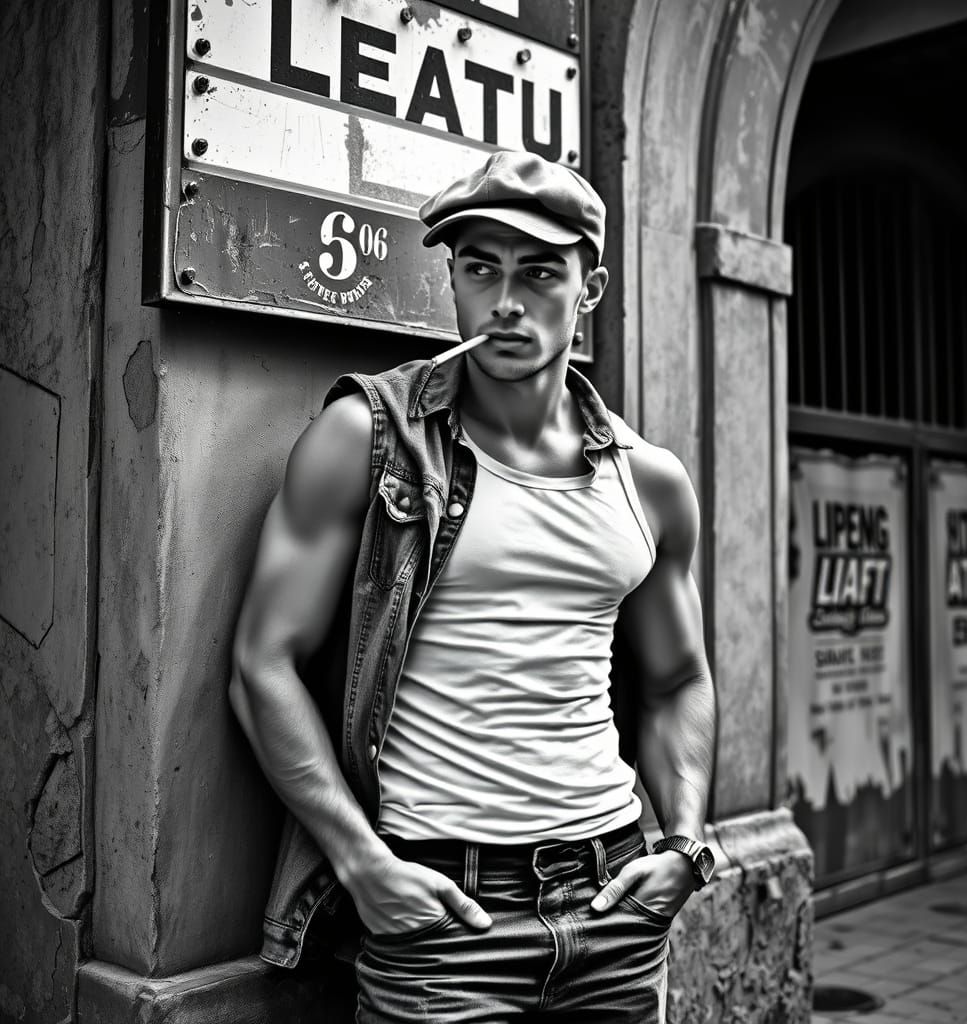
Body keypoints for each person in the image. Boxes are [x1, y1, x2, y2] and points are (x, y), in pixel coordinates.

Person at [230, 150, 717, 1023]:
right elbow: (262, 663)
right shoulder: (367, 439)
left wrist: (681, 844)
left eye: (539, 273)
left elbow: (680, 681)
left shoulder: (649, 482)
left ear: (590, 288)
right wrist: (360, 863)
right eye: (479, 268)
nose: (505, 302)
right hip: (445, 920)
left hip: (616, 906)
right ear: (451, 278)